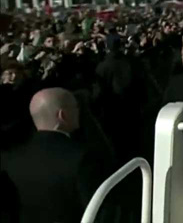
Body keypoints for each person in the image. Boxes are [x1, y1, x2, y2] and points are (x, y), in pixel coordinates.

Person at [1, 88, 111, 223]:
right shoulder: (83, 158)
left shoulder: (10, 158)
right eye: (76, 107)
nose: (78, 111)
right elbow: (102, 211)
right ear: (62, 115)